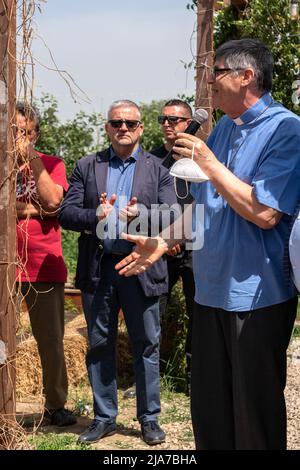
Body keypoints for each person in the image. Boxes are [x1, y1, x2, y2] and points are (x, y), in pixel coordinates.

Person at [115, 39, 300, 450]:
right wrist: (161, 241)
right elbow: (203, 209)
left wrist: (209, 163)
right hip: (211, 293)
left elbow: (266, 212)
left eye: (215, 72)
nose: (208, 81)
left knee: (254, 418)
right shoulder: (221, 134)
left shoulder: (286, 129)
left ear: (246, 76)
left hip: (257, 297)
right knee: (211, 416)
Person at [59, 100, 178, 445]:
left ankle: (149, 418)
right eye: (116, 122)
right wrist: (96, 214)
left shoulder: (159, 169)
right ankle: (103, 417)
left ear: (141, 128)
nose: (123, 128)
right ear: (108, 128)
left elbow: (173, 216)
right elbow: (67, 213)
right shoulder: (87, 165)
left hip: (142, 267)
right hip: (100, 268)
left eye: (130, 123)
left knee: (146, 344)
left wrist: (142, 215)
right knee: (99, 344)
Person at [123, 99, 195, 400]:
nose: (168, 124)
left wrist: (180, 235)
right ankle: (144, 381)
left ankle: (194, 377)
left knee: (198, 315)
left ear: (189, 123)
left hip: (194, 249)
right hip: (160, 250)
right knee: (151, 315)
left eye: (175, 119)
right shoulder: (151, 163)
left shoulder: (202, 159)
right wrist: (162, 238)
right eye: (163, 119)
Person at [16, 102, 76, 427]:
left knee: (51, 339)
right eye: (13, 131)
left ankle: (55, 405)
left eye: (25, 132)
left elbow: (54, 202)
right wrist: (33, 210)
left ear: (35, 133)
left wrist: (31, 157)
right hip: (5, 266)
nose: (18, 138)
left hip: (42, 266)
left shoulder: (52, 164)